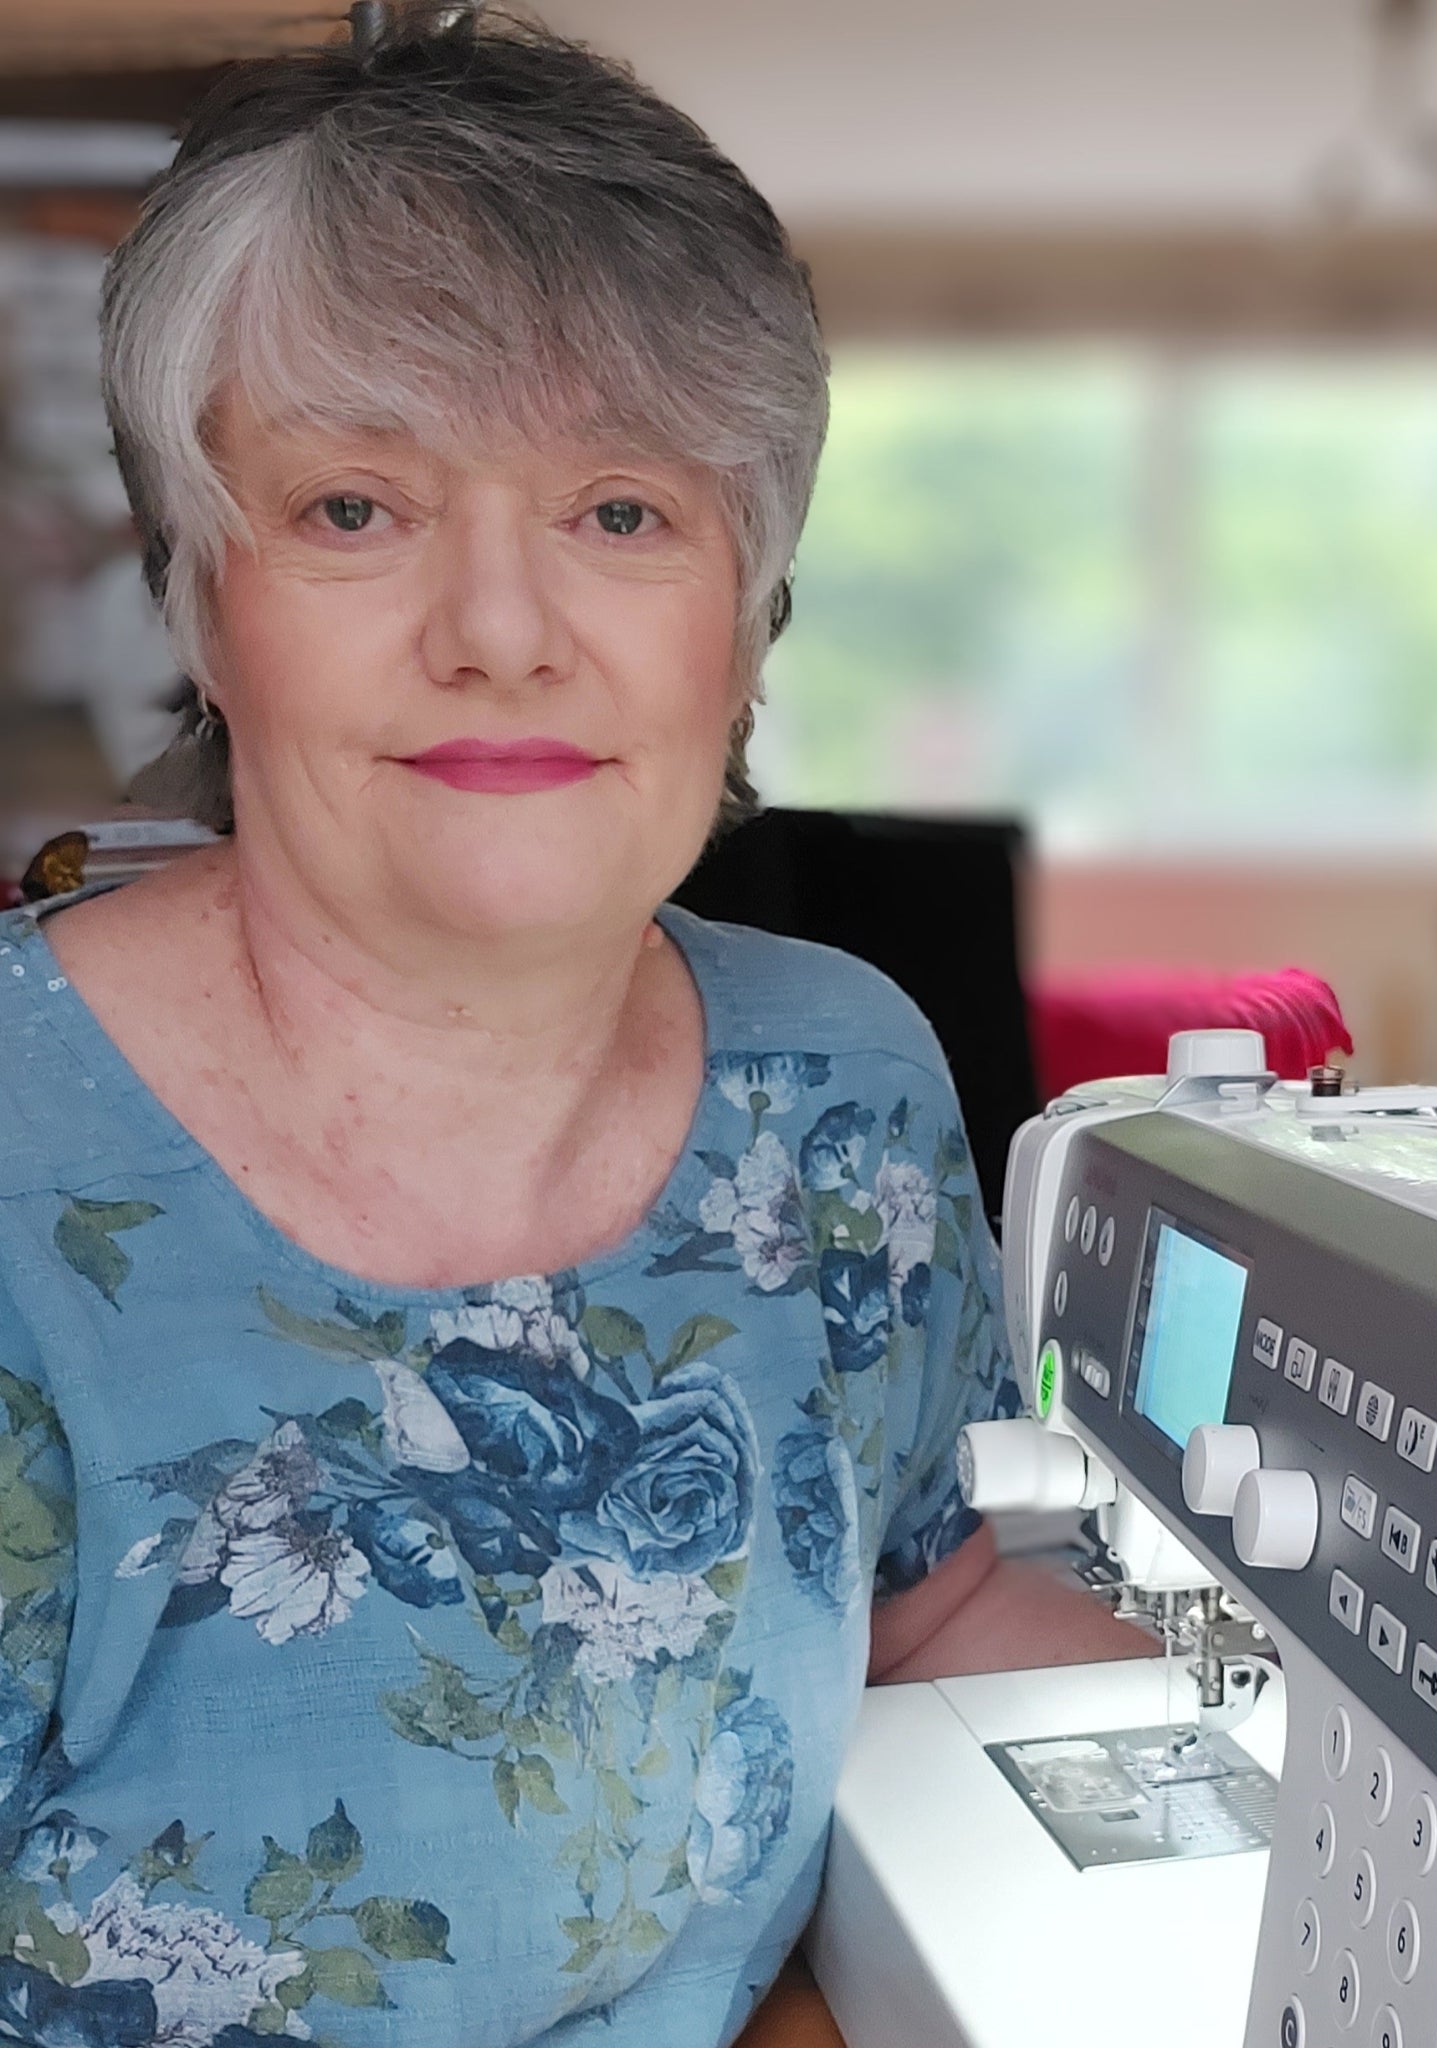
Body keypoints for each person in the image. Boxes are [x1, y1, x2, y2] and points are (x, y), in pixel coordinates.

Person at [0, 12, 1147, 2047]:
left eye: (622, 511)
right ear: (196, 597)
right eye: (356, 506)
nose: (504, 626)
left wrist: (1318, 1737)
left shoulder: (842, 1090)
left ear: (746, 609)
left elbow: (932, 1596)